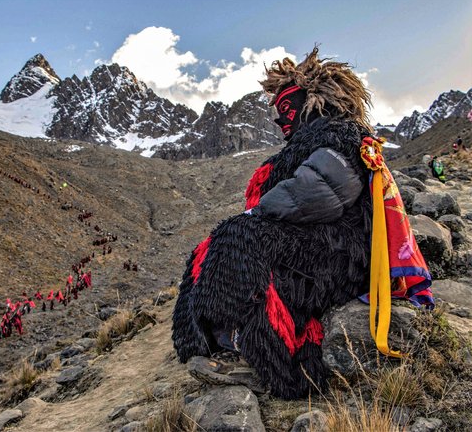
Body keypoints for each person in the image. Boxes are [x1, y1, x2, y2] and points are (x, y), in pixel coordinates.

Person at [172, 47, 432, 400]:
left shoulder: (338, 136)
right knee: (210, 246)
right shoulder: (318, 139)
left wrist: (258, 214)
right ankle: (212, 332)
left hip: (339, 254)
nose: (281, 122)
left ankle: (260, 345)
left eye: (286, 109)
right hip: (319, 244)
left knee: (242, 236)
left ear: (314, 101)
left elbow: (319, 191)